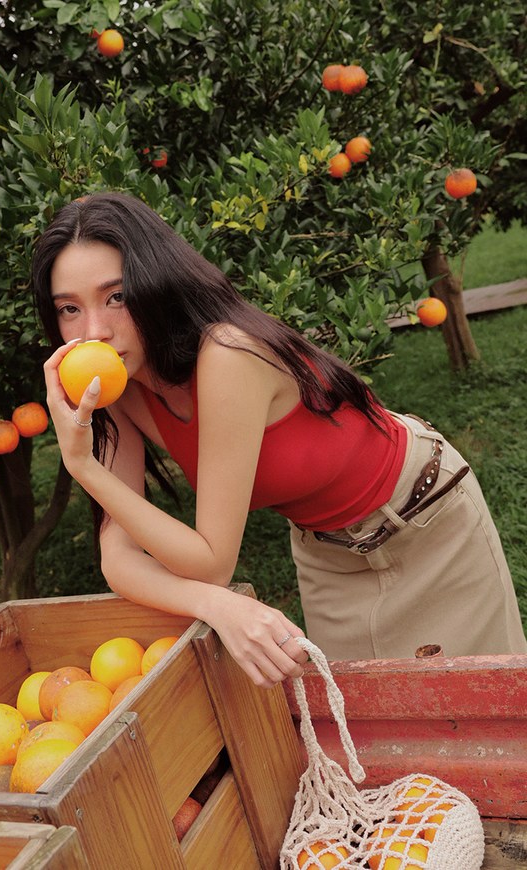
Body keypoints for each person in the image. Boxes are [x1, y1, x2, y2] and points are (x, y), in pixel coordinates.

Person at [33, 192, 527, 687]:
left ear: (155, 283)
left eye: (116, 296)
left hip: (426, 519)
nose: (93, 331)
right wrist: (216, 606)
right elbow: (118, 558)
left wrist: (85, 467)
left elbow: (209, 561)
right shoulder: (116, 391)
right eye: (69, 309)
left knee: (486, 714)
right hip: (328, 552)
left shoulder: (226, 355)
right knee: (362, 727)